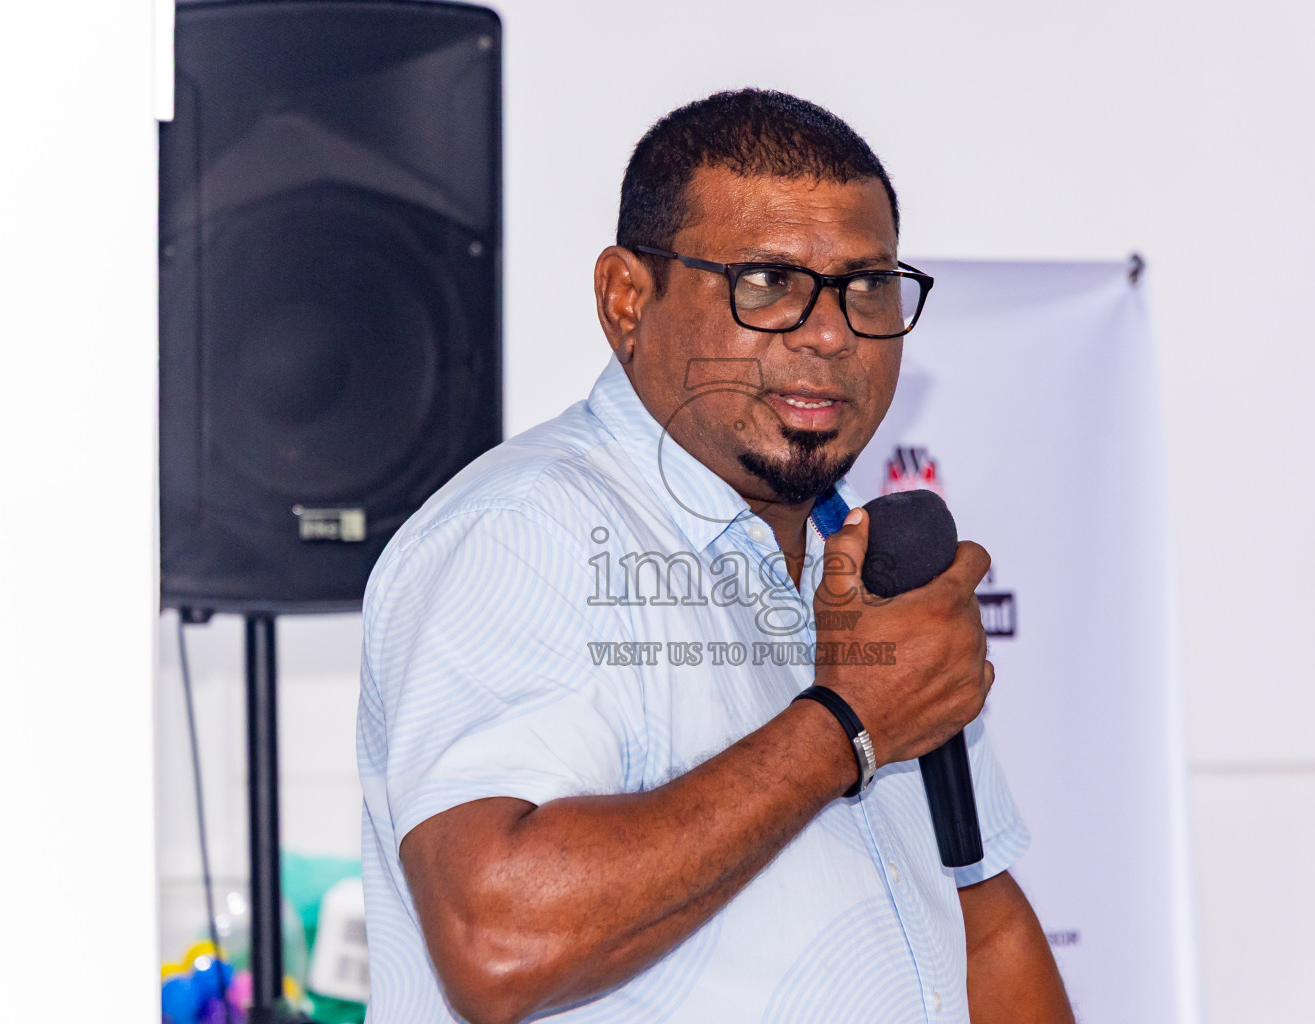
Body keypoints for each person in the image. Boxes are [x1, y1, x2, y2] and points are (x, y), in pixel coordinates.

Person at [358, 89, 1074, 1024]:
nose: (830, 332)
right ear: (627, 299)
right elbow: (500, 939)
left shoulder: (863, 563)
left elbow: (981, 926)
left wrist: (867, 714)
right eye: (768, 281)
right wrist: (845, 727)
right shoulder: (523, 528)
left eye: (866, 286)